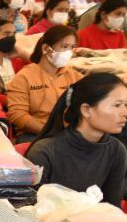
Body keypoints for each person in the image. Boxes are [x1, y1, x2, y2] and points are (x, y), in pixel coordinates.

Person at [26, 72, 127, 207]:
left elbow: (112, 207)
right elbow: (31, 210)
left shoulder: (117, 150)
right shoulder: (44, 152)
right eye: (117, 105)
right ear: (86, 110)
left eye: (126, 105)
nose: (125, 113)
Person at [6, 25, 82, 140]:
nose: (68, 52)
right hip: (35, 133)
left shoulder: (74, 76)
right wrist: (50, 131)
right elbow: (18, 115)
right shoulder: (24, 77)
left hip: (69, 132)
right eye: (64, 46)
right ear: (46, 48)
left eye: (72, 47)